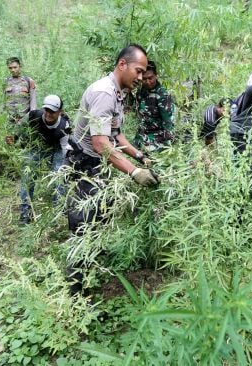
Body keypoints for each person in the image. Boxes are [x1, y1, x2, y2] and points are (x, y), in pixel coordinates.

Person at [66, 44, 159, 294]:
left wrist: (141, 157)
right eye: (138, 71)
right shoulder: (105, 93)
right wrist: (134, 172)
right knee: (83, 225)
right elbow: (100, 144)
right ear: (122, 65)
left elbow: (116, 135)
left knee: (100, 218)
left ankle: (92, 270)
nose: (140, 78)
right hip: (85, 165)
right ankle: (76, 293)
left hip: (98, 166)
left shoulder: (119, 92)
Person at [10, 95, 71, 224]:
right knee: (28, 177)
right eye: (47, 110)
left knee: (59, 177)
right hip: (36, 147)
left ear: (60, 111)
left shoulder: (64, 125)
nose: (49, 114)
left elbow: (65, 148)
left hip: (56, 149)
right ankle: (25, 212)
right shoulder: (33, 116)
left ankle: (58, 213)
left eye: (53, 111)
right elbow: (19, 127)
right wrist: (14, 139)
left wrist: (65, 166)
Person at [133, 60, 175, 151]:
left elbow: (168, 123)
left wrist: (168, 144)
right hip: (141, 134)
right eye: (144, 79)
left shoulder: (163, 95)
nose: (148, 82)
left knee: (147, 151)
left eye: (150, 78)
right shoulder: (141, 91)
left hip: (157, 136)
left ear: (156, 75)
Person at [4, 57, 37, 125]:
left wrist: (31, 117)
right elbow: (3, 101)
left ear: (20, 67)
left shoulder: (29, 81)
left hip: (24, 120)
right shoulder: (6, 81)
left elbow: (33, 102)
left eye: (15, 67)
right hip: (9, 120)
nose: (12, 70)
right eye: (10, 68)